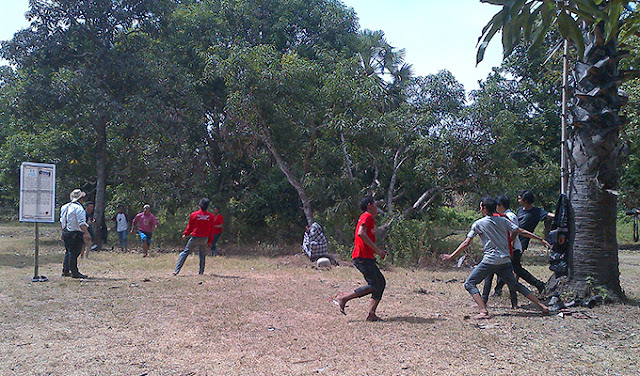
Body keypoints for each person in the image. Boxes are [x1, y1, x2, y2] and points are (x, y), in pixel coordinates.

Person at [440, 197, 551, 319]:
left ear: (485, 208)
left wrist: (451, 256)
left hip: (490, 260)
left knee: (469, 283)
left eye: (481, 207)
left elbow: (466, 243)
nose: (480, 209)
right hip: (505, 260)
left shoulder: (479, 223)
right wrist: (540, 239)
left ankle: (483, 311)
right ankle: (541, 306)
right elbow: (521, 231)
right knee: (515, 284)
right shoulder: (503, 220)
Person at [334, 196, 388, 322]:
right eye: (375, 205)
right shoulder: (367, 216)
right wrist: (378, 250)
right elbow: (361, 233)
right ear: (369, 205)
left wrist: (376, 249)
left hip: (366, 257)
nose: (377, 208)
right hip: (362, 257)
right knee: (375, 284)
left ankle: (371, 314)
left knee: (380, 283)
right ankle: (344, 298)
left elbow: (364, 237)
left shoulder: (369, 218)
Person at [494, 189, 555, 295]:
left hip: (521, 241)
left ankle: (538, 285)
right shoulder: (519, 211)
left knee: (514, 267)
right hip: (515, 239)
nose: (518, 200)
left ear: (526, 200)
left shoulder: (536, 211)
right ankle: (501, 289)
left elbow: (551, 216)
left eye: (520, 198)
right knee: (509, 265)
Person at [482, 195, 519, 308]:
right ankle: (514, 302)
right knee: (508, 279)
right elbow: (516, 230)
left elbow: (515, 231)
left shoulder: (501, 218)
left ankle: (484, 301)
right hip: (502, 253)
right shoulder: (502, 218)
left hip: (498, 254)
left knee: (492, 277)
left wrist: (510, 246)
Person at [174, 198, 216, 275]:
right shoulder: (211, 216)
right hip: (205, 238)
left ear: (199, 205)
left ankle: (176, 270)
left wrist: (185, 234)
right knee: (202, 255)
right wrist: (210, 241)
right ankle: (201, 272)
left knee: (185, 252)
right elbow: (212, 230)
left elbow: (190, 226)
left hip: (195, 237)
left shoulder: (194, 214)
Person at [60, 189, 92, 278]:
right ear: (80, 199)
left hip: (66, 231)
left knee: (68, 252)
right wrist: (86, 233)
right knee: (74, 253)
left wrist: (62, 231)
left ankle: (65, 270)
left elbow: (62, 220)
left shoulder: (64, 207)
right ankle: (74, 272)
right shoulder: (79, 209)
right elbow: (81, 223)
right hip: (75, 232)